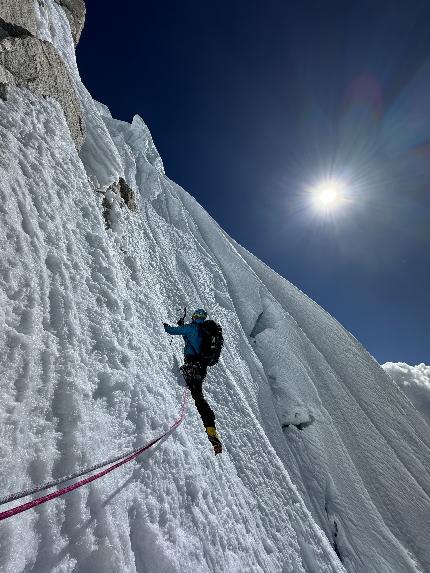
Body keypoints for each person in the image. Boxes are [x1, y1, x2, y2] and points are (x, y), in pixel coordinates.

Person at [163, 308, 222, 455]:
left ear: (195, 317)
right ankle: (211, 429)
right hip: (201, 369)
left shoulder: (192, 328)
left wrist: (163, 326)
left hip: (191, 366)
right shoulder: (204, 331)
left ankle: (209, 428)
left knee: (196, 396)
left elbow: (171, 331)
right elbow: (190, 341)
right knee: (198, 396)